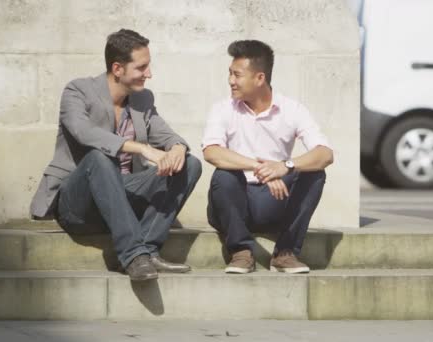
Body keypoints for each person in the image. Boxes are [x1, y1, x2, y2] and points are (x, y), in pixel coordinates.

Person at [30, 29, 202, 281]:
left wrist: (177, 148)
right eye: (141, 68)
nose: (149, 74)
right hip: (79, 206)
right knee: (98, 158)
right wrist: (142, 148)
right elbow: (84, 133)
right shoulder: (78, 91)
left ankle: (148, 249)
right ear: (118, 68)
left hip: (123, 196)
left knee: (190, 164)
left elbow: (166, 135)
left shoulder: (142, 100)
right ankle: (133, 255)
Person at [202, 40, 333, 274]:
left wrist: (286, 166)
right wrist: (260, 167)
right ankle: (241, 252)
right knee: (224, 175)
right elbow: (211, 152)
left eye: (237, 75)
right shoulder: (223, 109)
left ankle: (285, 254)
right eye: (230, 74)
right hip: (233, 201)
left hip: (273, 200)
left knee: (314, 174)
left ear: (259, 78)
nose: (231, 81)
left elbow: (325, 153)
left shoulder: (292, 110)